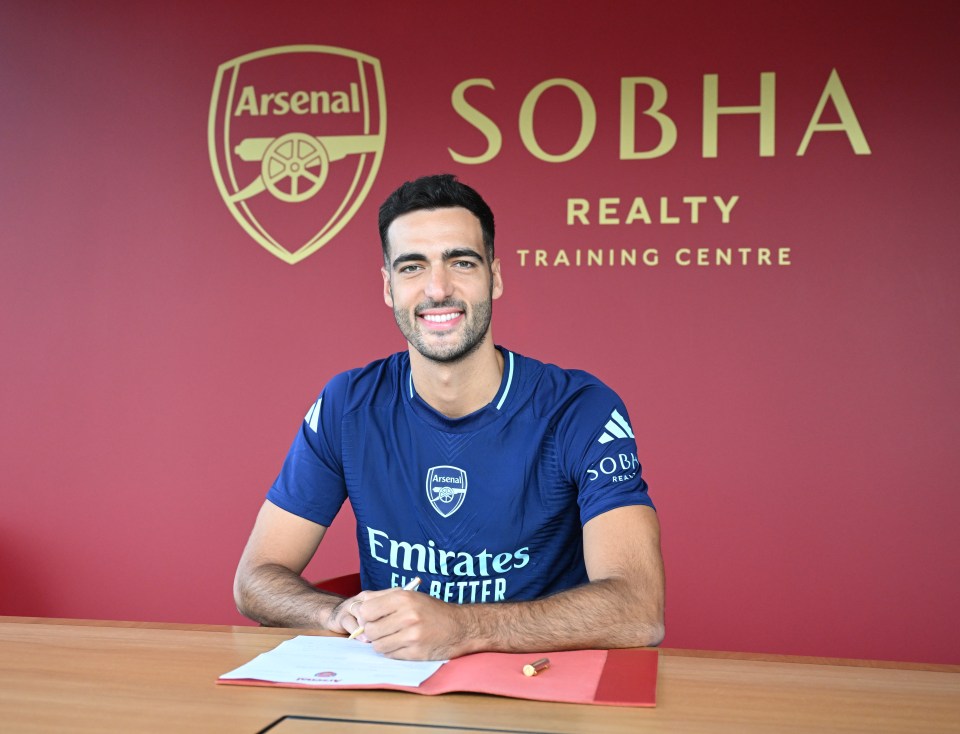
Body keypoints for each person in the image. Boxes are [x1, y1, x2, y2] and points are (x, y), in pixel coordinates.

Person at [234, 174, 665, 661]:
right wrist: (333, 614)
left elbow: (639, 607)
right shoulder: (347, 406)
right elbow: (255, 578)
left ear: (494, 277)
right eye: (413, 267)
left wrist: (461, 628)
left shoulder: (579, 409)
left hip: (540, 687)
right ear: (388, 286)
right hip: (395, 688)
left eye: (461, 262)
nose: (437, 289)